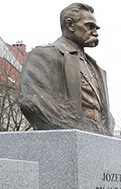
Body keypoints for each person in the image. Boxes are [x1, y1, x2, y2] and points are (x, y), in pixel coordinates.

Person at [19, 3, 114, 136]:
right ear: (70, 25)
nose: (95, 32)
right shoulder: (44, 55)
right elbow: (32, 102)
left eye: (96, 28)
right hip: (69, 138)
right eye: (89, 26)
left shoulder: (96, 68)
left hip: (96, 139)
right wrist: (80, 126)